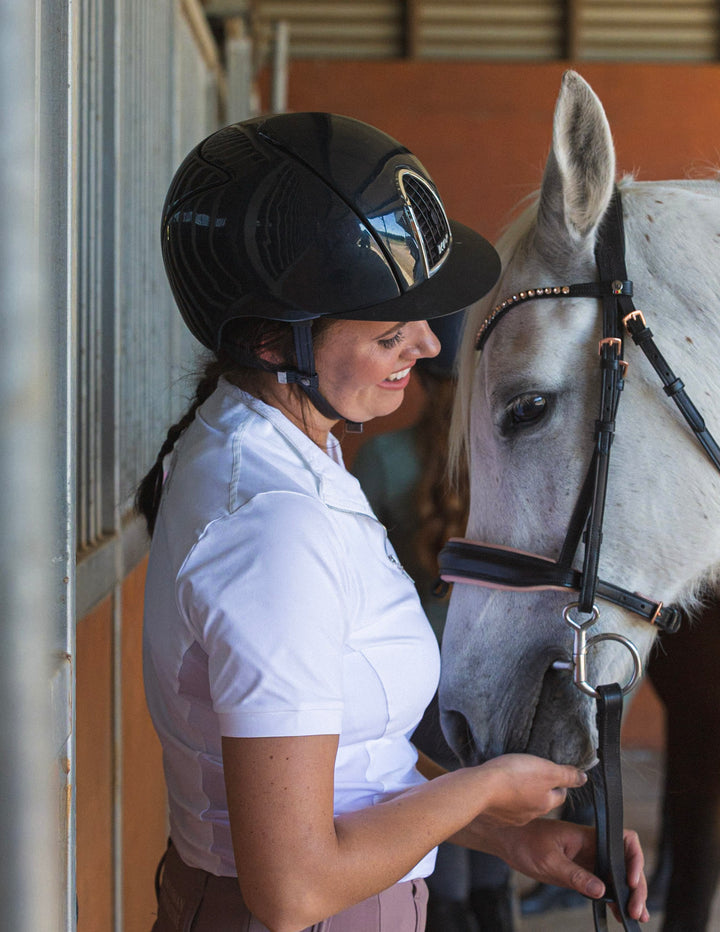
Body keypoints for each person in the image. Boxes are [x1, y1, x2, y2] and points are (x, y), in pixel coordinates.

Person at [137, 112, 649, 932]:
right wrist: (481, 786)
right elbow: (294, 889)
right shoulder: (275, 525)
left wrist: (509, 839)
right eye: (388, 327)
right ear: (278, 341)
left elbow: (344, 765)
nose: (423, 343)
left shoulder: (287, 451)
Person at [351, 314, 515, 932]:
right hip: (498, 660)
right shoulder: (513, 465)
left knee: (441, 809)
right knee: (496, 809)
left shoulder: (382, 459)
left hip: (421, 666)